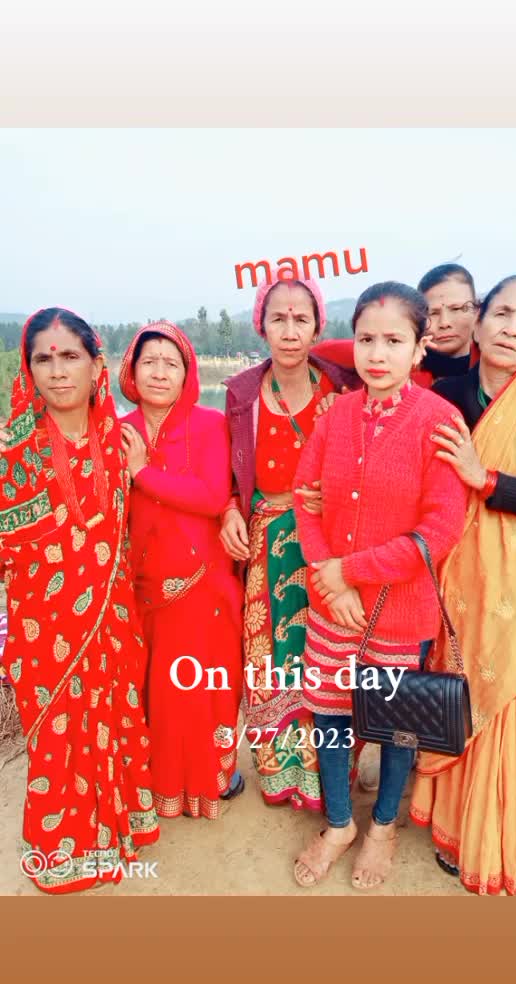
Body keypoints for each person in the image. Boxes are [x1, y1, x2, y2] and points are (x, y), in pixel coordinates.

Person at [291, 282, 468, 888]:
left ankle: (383, 826)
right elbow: (305, 499)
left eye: (394, 340)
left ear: (419, 349)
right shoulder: (336, 415)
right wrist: (331, 580)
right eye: (367, 338)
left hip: (399, 612)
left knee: (397, 725)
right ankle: (341, 824)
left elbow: (440, 530)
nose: (377, 353)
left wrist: (352, 572)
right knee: (330, 716)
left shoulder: (439, 421)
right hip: (333, 608)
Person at [410, 273, 516, 895]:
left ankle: (498, 836)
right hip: (453, 578)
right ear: (477, 322)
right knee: (454, 693)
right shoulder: (444, 395)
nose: (511, 328)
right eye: (502, 313)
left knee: (507, 710)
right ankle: (453, 825)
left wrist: (488, 480)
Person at [0, 308, 159, 893]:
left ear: (96, 366)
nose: (58, 371)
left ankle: (114, 833)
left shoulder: (121, 442)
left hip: (111, 620)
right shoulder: (11, 451)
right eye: (44, 359)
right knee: (56, 741)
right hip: (45, 631)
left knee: (114, 722)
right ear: (28, 370)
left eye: (70, 356)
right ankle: (60, 852)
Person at [221, 272, 359, 811]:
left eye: (302, 319)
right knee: (271, 657)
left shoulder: (341, 386)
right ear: (261, 325)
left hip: (326, 541)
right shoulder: (242, 393)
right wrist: (228, 511)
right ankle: (282, 774)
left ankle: (331, 775)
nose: (289, 330)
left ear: (318, 327)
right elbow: (231, 474)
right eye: (277, 318)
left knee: (328, 655)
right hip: (267, 541)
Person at [119, 321, 244, 819]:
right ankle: (160, 786)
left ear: (187, 374)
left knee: (197, 689)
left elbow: (212, 497)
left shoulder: (209, 424)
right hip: (141, 587)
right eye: (149, 361)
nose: (159, 372)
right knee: (155, 692)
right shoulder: (117, 429)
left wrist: (142, 473)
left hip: (200, 587)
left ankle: (209, 783)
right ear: (131, 371)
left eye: (171, 363)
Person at [312, 263, 479, 390]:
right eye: (433, 313)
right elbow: (321, 352)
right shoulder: (403, 359)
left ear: (477, 311)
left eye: (457, 309)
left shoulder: (489, 368)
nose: (445, 323)